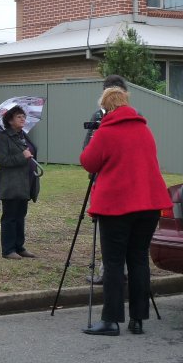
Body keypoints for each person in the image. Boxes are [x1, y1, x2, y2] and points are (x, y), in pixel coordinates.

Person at [80, 87, 172, 336]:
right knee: (139, 260)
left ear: (106, 108)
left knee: (113, 262)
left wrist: (95, 134)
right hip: (149, 204)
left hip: (116, 206)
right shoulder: (144, 129)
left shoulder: (106, 132)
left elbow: (88, 162)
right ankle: (138, 319)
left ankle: (111, 320)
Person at [83, 75, 129, 285]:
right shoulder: (97, 117)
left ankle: (120, 271)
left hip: (125, 184)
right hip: (103, 179)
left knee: (123, 229)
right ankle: (107, 269)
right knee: (105, 228)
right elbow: (87, 151)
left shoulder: (134, 117)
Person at [0, 105, 40, 260]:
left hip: (25, 182)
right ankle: (8, 250)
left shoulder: (22, 135)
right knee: (10, 216)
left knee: (21, 215)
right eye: (19, 116)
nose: (23, 119)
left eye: (23, 116)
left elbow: (31, 152)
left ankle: (19, 247)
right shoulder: (4, 138)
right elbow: (2, 160)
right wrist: (22, 156)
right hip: (11, 184)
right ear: (10, 120)